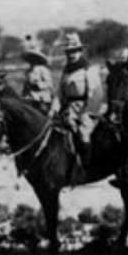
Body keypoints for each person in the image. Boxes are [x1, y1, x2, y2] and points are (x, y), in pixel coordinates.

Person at [57, 32, 98, 170]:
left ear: (80, 51)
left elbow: (95, 93)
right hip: (68, 107)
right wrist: (54, 109)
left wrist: (86, 111)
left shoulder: (88, 69)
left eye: (74, 51)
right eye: (68, 51)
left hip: (85, 107)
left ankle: (86, 167)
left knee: (83, 132)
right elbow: (60, 93)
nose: (71, 54)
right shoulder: (66, 71)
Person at [21, 49, 54, 114]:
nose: (31, 60)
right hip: (30, 98)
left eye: (33, 58)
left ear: (37, 59)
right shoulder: (28, 71)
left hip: (41, 99)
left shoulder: (43, 69)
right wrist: (23, 96)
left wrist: (38, 84)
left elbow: (49, 84)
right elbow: (26, 86)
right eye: (30, 58)